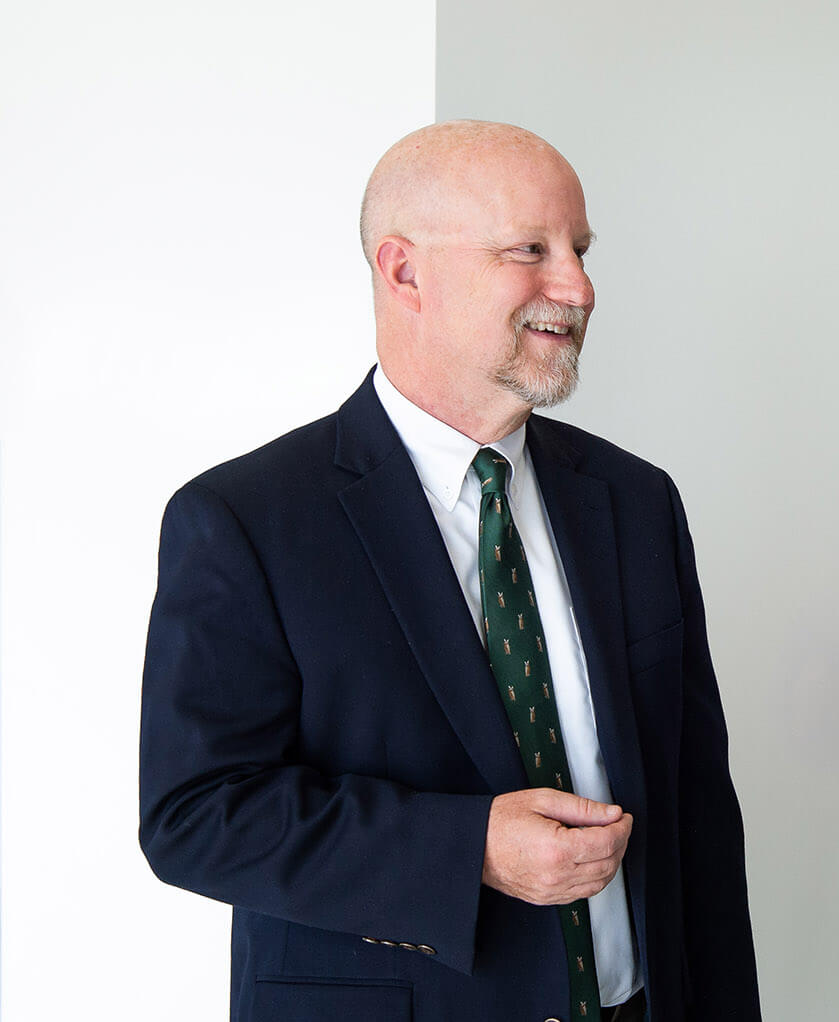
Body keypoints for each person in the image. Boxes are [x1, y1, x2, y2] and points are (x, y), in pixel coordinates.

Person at [140, 120, 760, 1022]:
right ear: (404, 271)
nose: (579, 287)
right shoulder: (246, 520)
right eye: (531, 250)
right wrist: (468, 847)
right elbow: (194, 814)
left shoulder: (635, 500)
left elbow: (699, 808)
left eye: (580, 251)